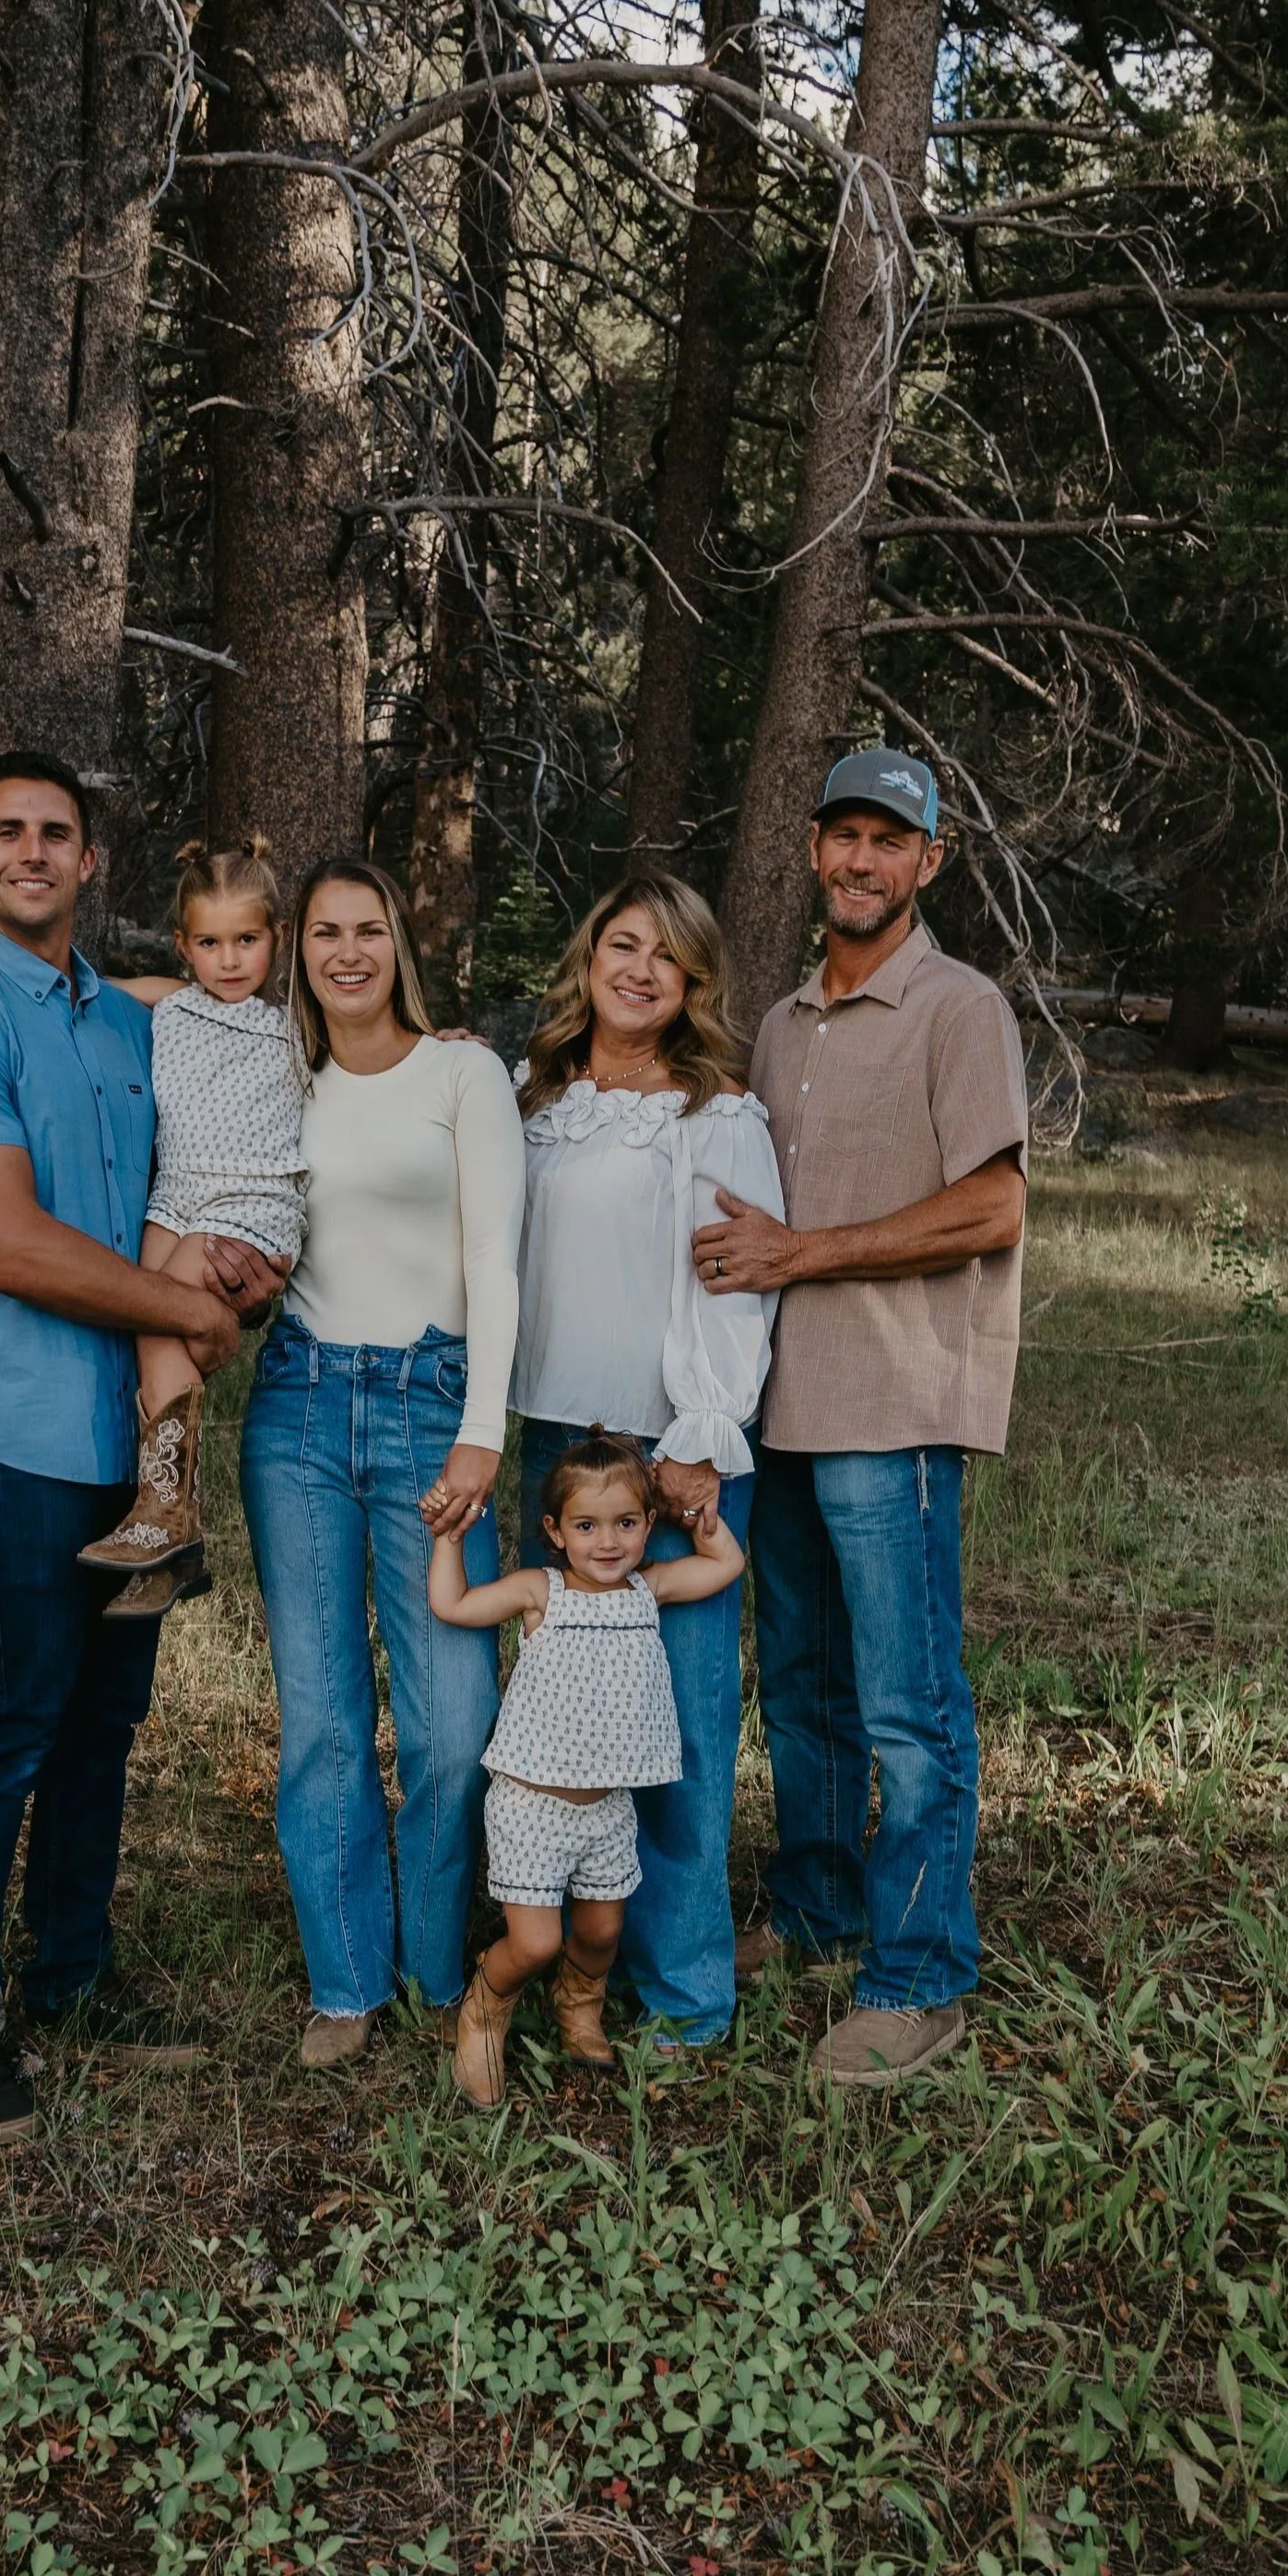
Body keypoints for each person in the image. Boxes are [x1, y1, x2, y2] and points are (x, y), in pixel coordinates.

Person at [0, 752, 287, 2143]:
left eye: (59, 833)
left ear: (91, 862)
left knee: (108, 1718)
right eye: (9, 833)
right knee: (20, 1713)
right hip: (27, 1430)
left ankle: (69, 1976)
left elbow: (236, 1045)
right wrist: (185, 1304)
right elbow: (3, 1241)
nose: (35, 852)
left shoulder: (126, 1020)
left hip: (143, 1440)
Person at [694, 746, 1028, 2089]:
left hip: (894, 1405)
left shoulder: (961, 1007)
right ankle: (823, 1907)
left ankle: (921, 1972)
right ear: (816, 848)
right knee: (809, 1689)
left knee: (908, 1703)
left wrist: (803, 1253)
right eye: (843, 834)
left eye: (890, 840)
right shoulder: (777, 1022)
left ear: (928, 861)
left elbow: (992, 1206)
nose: (861, 860)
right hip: (784, 1409)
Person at [238, 859, 526, 2069]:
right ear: (294, 948)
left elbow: (497, 1256)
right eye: (321, 932)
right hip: (299, 1405)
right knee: (324, 1721)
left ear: (399, 941)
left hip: (429, 1405)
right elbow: (157, 993)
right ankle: (346, 1980)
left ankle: (434, 1966)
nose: (345, 952)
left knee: (455, 1722)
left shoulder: (463, 1072)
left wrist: (484, 1430)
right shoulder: (270, 1075)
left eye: (367, 929)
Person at [509, 873, 782, 2050]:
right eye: (621, 944)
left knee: (677, 1734)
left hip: (668, 1449)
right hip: (546, 1445)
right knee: (565, 1718)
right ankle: (571, 1957)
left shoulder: (713, 1114)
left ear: (692, 983)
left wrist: (702, 1437)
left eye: (665, 956)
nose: (638, 969)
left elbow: (736, 1283)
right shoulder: (534, 1100)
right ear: (590, 960)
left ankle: (684, 1997)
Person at [428, 1430, 744, 2110]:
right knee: (536, 1940)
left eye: (626, 1523)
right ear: (555, 1530)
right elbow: (452, 1606)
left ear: (647, 1525)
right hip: (531, 1809)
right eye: (587, 1525)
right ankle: (484, 2008)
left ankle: (580, 2004)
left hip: (606, 1810)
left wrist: (702, 1520)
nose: (608, 1541)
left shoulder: (646, 1590)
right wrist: (448, 1538)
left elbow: (724, 1564)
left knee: (601, 1931)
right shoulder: (541, 1593)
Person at [78, 837, 305, 1608]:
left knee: (155, 1308)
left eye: (248, 939)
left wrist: (443, 1040)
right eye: (209, 942)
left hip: (253, 1198)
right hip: (174, 1195)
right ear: (184, 946)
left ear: (277, 937)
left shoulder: (300, 1022)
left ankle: (163, 1514)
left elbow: (388, 1042)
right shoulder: (168, 1003)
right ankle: (170, 1539)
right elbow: (90, 985)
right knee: (140, 1312)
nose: (230, 959)